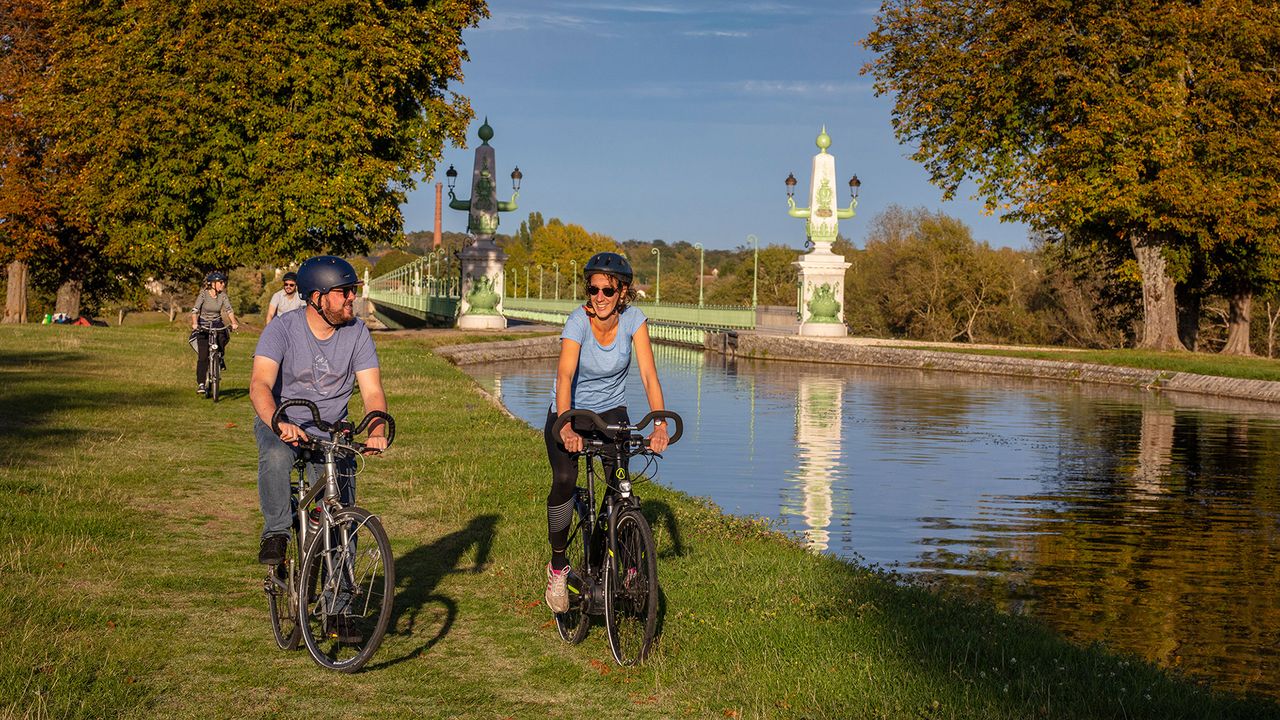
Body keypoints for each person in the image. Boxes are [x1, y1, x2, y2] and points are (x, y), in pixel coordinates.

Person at [543, 252, 670, 614]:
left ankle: (626, 565)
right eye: (593, 289)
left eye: (607, 291)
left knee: (621, 486)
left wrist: (659, 424)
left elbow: (648, 376)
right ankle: (557, 567)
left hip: (612, 411)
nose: (599, 297)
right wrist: (565, 425)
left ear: (623, 292)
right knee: (565, 479)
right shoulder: (577, 322)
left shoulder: (633, 321)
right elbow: (564, 376)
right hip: (572, 411)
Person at [250, 255, 389, 566]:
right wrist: (277, 423)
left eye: (354, 289)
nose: (353, 297)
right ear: (316, 298)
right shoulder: (282, 330)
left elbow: (372, 390)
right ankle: (276, 532)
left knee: (340, 516)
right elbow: (259, 384)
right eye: (345, 291)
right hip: (283, 421)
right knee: (275, 456)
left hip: (331, 428)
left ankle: (339, 606)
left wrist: (377, 430)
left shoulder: (357, 332)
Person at [190, 271, 239, 394]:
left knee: (223, 337)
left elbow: (229, 310)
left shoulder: (223, 296)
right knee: (203, 356)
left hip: (217, 323)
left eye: (223, 282)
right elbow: (195, 311)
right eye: (221, 282)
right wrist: (195, 323)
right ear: (213, 284)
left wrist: (233, 322)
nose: (223, 284)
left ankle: (220, 357)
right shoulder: (203, 295)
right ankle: (201, 383)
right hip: (204, 325)